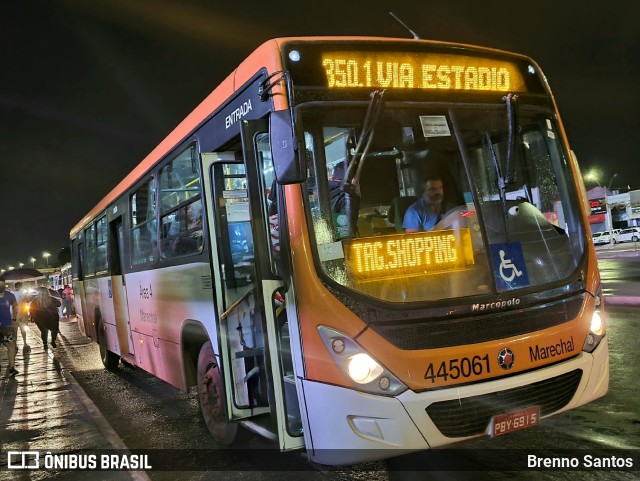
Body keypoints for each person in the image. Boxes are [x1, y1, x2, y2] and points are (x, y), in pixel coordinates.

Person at [0, 279, 19, 377]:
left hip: (7, 325)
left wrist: (14, 318)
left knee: (11, 346)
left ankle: (12, 367)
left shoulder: (9, 295)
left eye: (2, 284)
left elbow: (16, 306)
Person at [13, 282, 31, 351]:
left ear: (15, 286)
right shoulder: (23, 293)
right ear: (21, 286)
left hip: (14, 314)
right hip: (22, 313)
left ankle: (15, 345)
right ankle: (25, 343)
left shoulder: (11, 293)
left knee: (15, 330)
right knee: (23, 329)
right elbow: (28, 300)